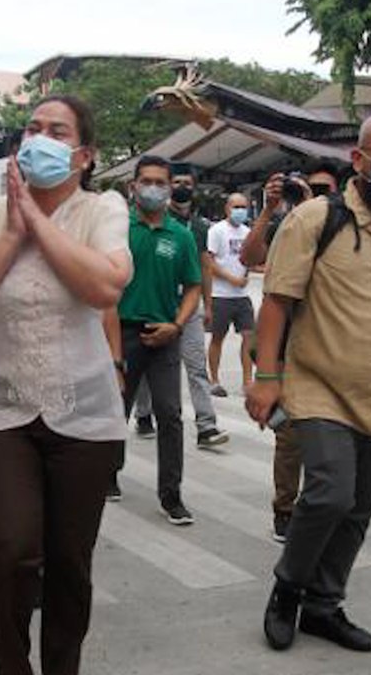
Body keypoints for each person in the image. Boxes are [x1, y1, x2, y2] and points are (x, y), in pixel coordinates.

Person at [0, 94, 131, 675]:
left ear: (84, 154)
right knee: (12, 551)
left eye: (57, 130)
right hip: (2, 409)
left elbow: (105, 287)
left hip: (86, 413)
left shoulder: (103, 209)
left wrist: (39, 222)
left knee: (70, 562)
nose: (39, 137)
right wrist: (11, 231)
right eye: (32, 127)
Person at [251, 111, 371, 654]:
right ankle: (287, 589)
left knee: (362, 503)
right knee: (330, 493)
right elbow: (278, 302)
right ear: (359, 159)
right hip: (319, 383)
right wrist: (266, 377)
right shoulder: (314, 219)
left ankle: (324, 605)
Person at [242, 160, 341, 542]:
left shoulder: (346, 231)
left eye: (324, 192)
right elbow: (250, 257)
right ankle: (285, 509)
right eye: (308, 190)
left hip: (331, 346)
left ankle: (325, 506)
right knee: (291, 436)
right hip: (285, 347)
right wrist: (270, 208)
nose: (315, 199)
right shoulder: (287, 225)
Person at [108, 155, 202, 525]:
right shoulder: (117, 230)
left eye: (160, 182)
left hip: (165, 334)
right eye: (145, 181)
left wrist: (177, 325)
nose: (153, 188)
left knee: (171, 414)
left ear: (170, 186)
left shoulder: (180, 235)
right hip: (122, 332)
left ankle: (171, 494)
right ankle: (108, 473)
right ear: (133, 186)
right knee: (117, 409)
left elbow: (194, 285)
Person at [131, 163, 226, 447]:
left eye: (187, 183)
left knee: (196, 367)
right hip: (156, 304)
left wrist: (207, 305)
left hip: (189, 306)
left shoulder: (198, 227)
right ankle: (144, 413)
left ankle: (206, 425)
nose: (182, 188)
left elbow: (204, 269)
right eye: (179, 182)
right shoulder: (155, 218)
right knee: (147, 370)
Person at [241, 160, 341, 270]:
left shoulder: (345, 225)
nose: (316, 195)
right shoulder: (286, 224)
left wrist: (310, 208)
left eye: (322, 189)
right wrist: (268, 209)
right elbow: (248, 259)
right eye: (311, 188)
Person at [206, 193, 254, 396]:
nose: (240, 211)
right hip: (221, 295)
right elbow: (209, 262)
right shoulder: (217, 231)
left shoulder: (248, 232)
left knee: (249, 337)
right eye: (236, 207)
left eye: (243, 207)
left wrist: (246, 274)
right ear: (227, 208)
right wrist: (230, 278)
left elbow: (250, 258)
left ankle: (247, 381)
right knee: (218, 337)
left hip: (242, 296)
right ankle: (215, 380)